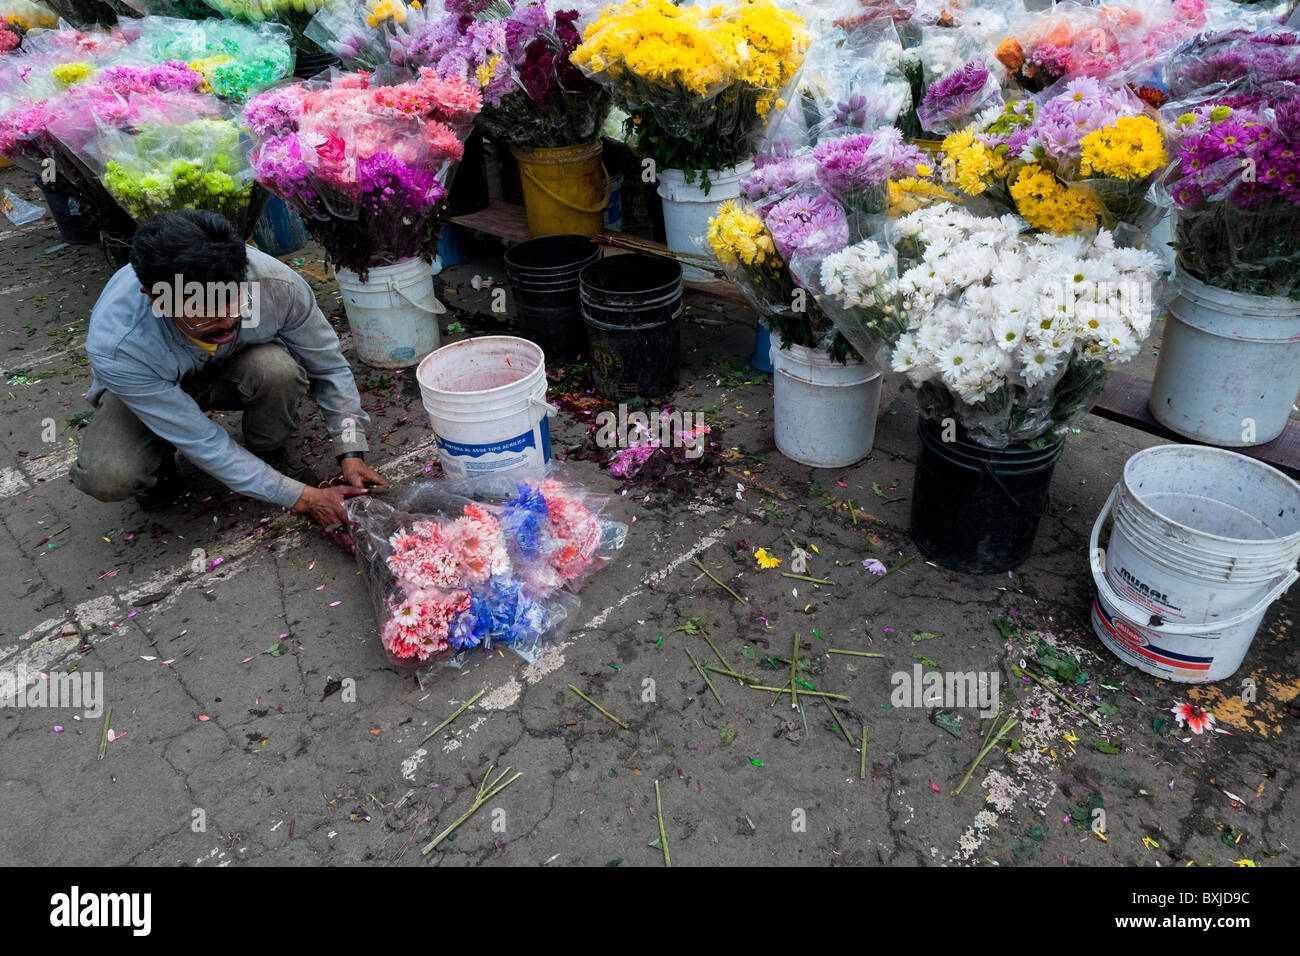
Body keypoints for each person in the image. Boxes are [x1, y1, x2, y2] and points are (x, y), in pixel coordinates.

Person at [70, 209, 388, 550]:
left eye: (230, 302)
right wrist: (307, 499)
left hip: (236, 369)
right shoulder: (118, 344)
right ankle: (158, 470)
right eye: (199, 312)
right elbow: (203, 440)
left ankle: (266, 451)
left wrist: (351, 450)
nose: (224, 320)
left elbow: (328, 367)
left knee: (278, 370)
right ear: (154, 297)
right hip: (152, 388)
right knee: (108, 474)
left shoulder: (276, 285)